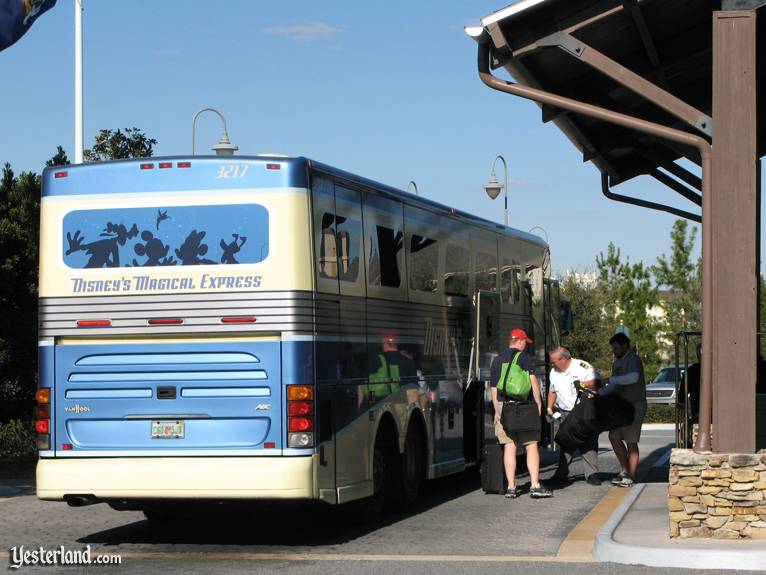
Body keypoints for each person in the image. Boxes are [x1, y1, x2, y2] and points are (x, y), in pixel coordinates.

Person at [490, 328, 552, 499]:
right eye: (525, 342)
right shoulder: (524, 357)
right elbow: (533, 381)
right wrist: (539, 403)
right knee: (531, 445)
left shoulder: (497, 361)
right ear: (519, 341)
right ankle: (535, 485)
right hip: (524, 407)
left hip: (504, 406)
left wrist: (497, 410)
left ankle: (511, 487)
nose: (526, 345)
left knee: (509, 446)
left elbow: (493, 388)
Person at [547, 347, 601, 486]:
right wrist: (549, 407)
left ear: (563, 359)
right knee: (565, 442)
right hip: (564, 412)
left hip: (583, 410)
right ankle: (561, 474)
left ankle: (592, 474)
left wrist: (583, 384)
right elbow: (553, 391)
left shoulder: (583, 367)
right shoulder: (554, 372)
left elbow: (598, 382)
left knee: (588, 442)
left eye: (554, 362)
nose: (552, 365)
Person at [599, 333, 646, 488]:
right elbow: (614, 386)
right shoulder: (617, 362)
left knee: (631, 441)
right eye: (613, 348)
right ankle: (625, 470)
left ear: (625, 346)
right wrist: (598, 394)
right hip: (620, 407)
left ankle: (631, 476)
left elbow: (633, 378)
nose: (614, 351)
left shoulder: (632, 359)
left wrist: (610, 380)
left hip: (634, 406)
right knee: (614, 437)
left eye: (617, 348)